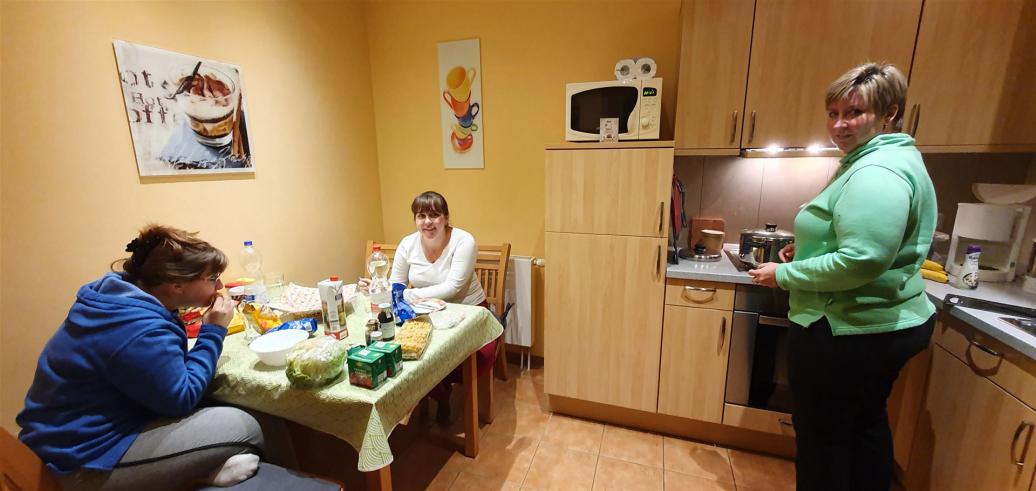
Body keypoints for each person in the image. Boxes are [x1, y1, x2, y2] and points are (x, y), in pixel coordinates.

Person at [747, 62, 937, 491]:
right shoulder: (886, 158)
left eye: (853, 113)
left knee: (822, 440)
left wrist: (786, 273)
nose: (839, 124)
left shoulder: (877, 171)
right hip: (875, 324)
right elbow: (862, 243)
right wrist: (808, 250)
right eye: (833, 113)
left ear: (889, 112)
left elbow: (861, 260)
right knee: (863, 426)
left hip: (847, 326)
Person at [17, 225, 263, 490]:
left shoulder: (115, 296)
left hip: (58, 441)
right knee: (245, 427)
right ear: (176, 284)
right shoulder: (137, 327)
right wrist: (213, 331)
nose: (220, 286)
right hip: (79, 461)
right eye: (213, 278)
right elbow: (181, 398)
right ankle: (194, 477)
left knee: (215, 404)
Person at [362, 191, 496, 422]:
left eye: (434, 215)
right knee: (414, 358)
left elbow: (452, 287)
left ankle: (441, 390)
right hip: (426, 314)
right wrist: (377, 287)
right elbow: (396, 283)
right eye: (421, 216)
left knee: (474, 361)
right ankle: (442, 396)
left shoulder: (464, 241)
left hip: (469, 311)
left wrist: (407, 294)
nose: (428, 222)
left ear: (446, 217)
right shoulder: (408, 243)